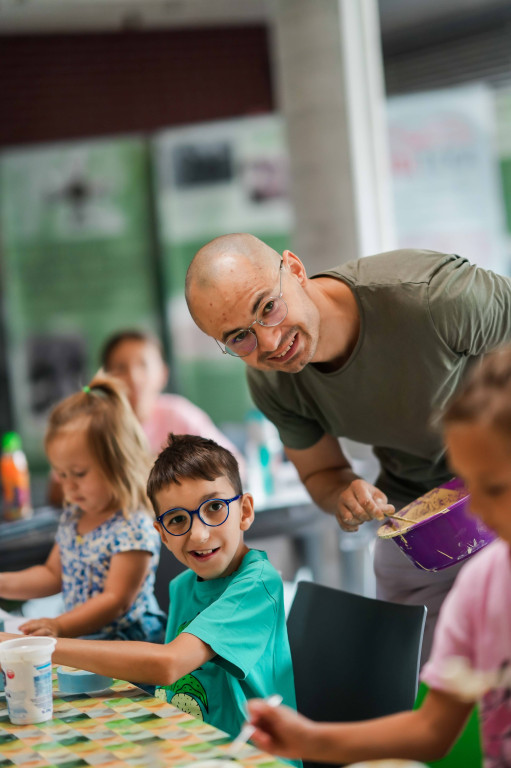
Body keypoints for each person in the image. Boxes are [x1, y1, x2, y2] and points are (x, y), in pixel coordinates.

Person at [185, 233, 511, 661]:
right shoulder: (272, 380)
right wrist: (345, 492)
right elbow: (322, 472)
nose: (268, 342)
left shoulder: (435, 298)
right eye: (239, 337)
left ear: (296, 269)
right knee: (410, 675)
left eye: (268, 307)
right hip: (419, 511)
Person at [246, 344, 511, 766]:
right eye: (468, 486)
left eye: (495, 488)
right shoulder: (481, 587)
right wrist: (307, 739)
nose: (476, 509)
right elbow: (430, 730)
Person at [0, 434, 297, 741]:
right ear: (163, 535)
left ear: (245, 511)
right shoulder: (184, 586)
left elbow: (168, 664)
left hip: (249, 756)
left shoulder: (257, 586)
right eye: (178, 519)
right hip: (190, 743)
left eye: (215, 507)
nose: (198, 534)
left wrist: (29, 646)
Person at [0, 376, 165, 642]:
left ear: (118, 463)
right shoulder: (74, 516)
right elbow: (52, 575)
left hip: (127, 644)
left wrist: (59, 626)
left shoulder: (134, 527)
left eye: (78, 473)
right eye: (62, 475)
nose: (69, 487)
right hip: (82, 637)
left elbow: (115, 600)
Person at [100, 329, 245, 463]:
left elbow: (232, 462)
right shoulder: (97, 428)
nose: (133, 377)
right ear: (105, 379)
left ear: (163, 374)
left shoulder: (178, 415)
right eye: (120, 367)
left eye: (143, 365)